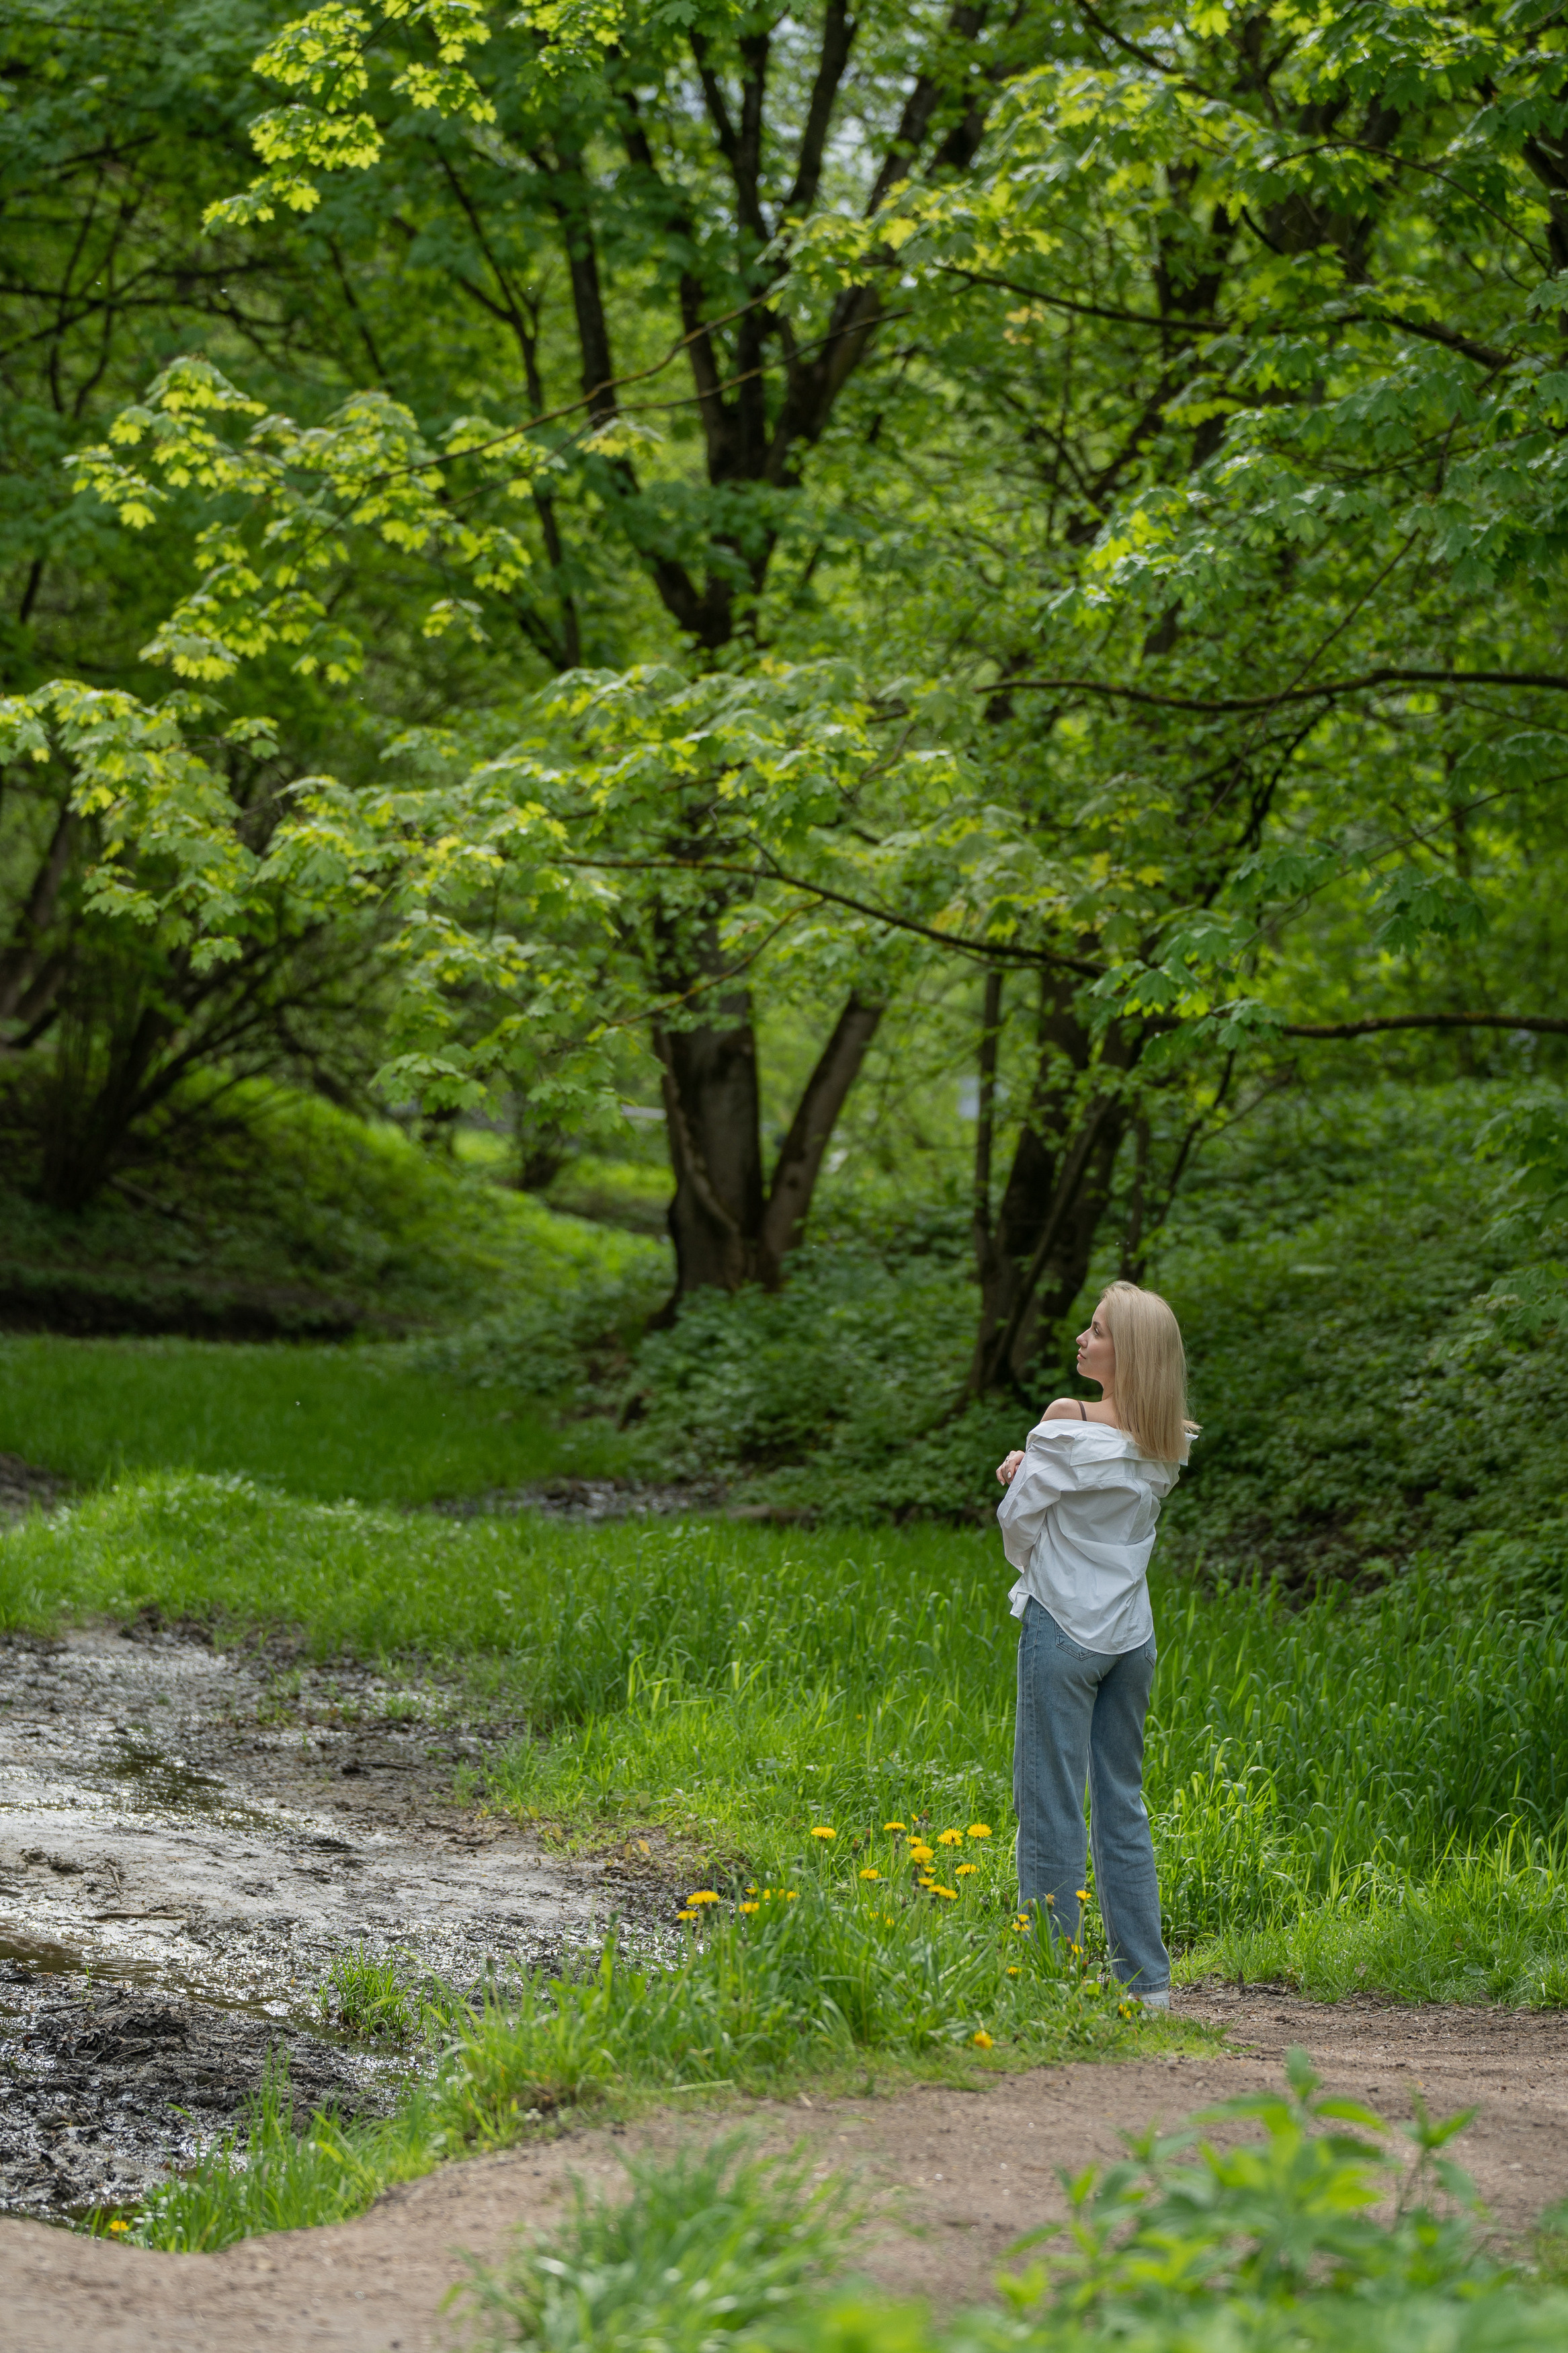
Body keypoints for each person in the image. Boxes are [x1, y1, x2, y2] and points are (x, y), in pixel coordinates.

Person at [995, 1280, 1196, 2007]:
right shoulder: (1164, 1438)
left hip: (1064, 1627)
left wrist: (1016, 1478)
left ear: (1127, 1350)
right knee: (1121, 1802)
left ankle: (1049, 1982)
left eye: (1097, 1329)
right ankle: (1146, 1986)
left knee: (1048, 1801)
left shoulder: (1065, 1420)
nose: (1082, 1338)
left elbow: (1016, 1525)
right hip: (1130, 1637)